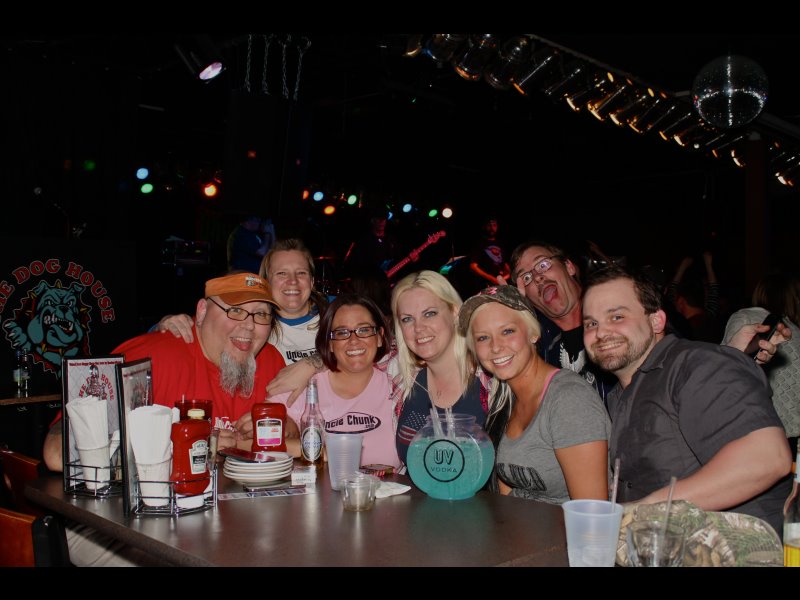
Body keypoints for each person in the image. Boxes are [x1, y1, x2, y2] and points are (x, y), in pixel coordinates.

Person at [42, 272, 285, 566]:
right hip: (111, 524)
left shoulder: (270, 362)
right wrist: (183, 447)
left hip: (211, 523)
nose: (249, 325)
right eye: (235, 310)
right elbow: (56, 454)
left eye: (261, 314)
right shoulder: (153, 355)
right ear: (202, 312)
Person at [581, 265, 793, 535]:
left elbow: (767, 458)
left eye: (617, 316)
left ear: (656, 321)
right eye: (591, 323)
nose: (600, 333)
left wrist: (640, 510)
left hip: (740, 545)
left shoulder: (697, 364)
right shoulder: (618, 396)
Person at [506, 240, 791, 403]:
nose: (538, 276)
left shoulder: (626, 315)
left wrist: (732, 355)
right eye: (526, 277)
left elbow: (680, 364)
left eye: (543, 264)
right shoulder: (536, 346)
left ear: (569, 266)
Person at [266, 270, 492, 469]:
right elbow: (354, 355)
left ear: (455, 312)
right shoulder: (402, 376)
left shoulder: (491, 378)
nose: (419, 327)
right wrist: (312, 363)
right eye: (407, 319)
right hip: (406, 503)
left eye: (430, 313)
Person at [459, 285, 610, 504]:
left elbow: (591, 512)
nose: (495, 347)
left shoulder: (569, 399)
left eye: (507, 331)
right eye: (483, 337)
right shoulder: (506, 400)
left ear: (533, 333)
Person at [270, 294, 402, 469]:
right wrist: (316, 451)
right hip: (323, 487)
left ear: (379, 337)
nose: (354, 341)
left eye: (364, 330)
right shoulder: (306, 387)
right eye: (342, 332)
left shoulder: (398, 384)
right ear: (330, 343)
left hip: (389, 486)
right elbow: (248, 441)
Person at [157, 238, 329, 366]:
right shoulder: (256, 322)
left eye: (301, 273)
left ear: (312, 281)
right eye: (281, 273)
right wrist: (166, 322)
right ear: (266, 282)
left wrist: (312, 365)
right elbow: (201, 328)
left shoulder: (335, 313)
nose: (293, 281)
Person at [722, 272, 800, 456]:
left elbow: (722, 373)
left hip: (760, 438)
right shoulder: (794, 330)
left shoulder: (745, 317)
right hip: (786, 439)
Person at [464, 216, 510, 297]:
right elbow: (473, 266)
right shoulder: (479, 244)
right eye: (489, 225)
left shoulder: (500, 244)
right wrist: (491, 278)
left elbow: (505, 266)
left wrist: (506, 276)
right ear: (484, 227)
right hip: (484, 285)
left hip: (499, 285)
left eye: (494, 225)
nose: (492, 228)